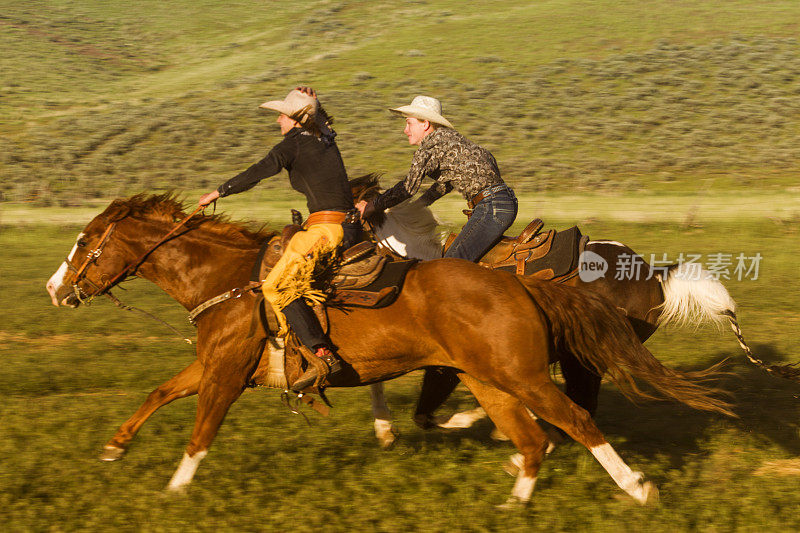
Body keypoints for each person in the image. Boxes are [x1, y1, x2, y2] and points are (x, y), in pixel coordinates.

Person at [199, 87, 355, 391]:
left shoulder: (293, 144)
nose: (278, 121)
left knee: (277, 284)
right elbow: (326, 126)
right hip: (348, 225)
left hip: (327, 229)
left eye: (282, 115)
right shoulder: (324, 139)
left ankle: (322, 354)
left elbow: (259, 171)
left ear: (296, 120)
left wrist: (218, 192)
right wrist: (315, 106)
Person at [356, 95, 517, 262]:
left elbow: (408, 188)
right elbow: (444, 185)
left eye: (409, 123)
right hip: (501, 204)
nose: (405, 130)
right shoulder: (451, 141)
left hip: (491, 207)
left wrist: (373, 206)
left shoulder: (430, 146)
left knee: (451, 265)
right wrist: (418, 206)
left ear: (425, 124)